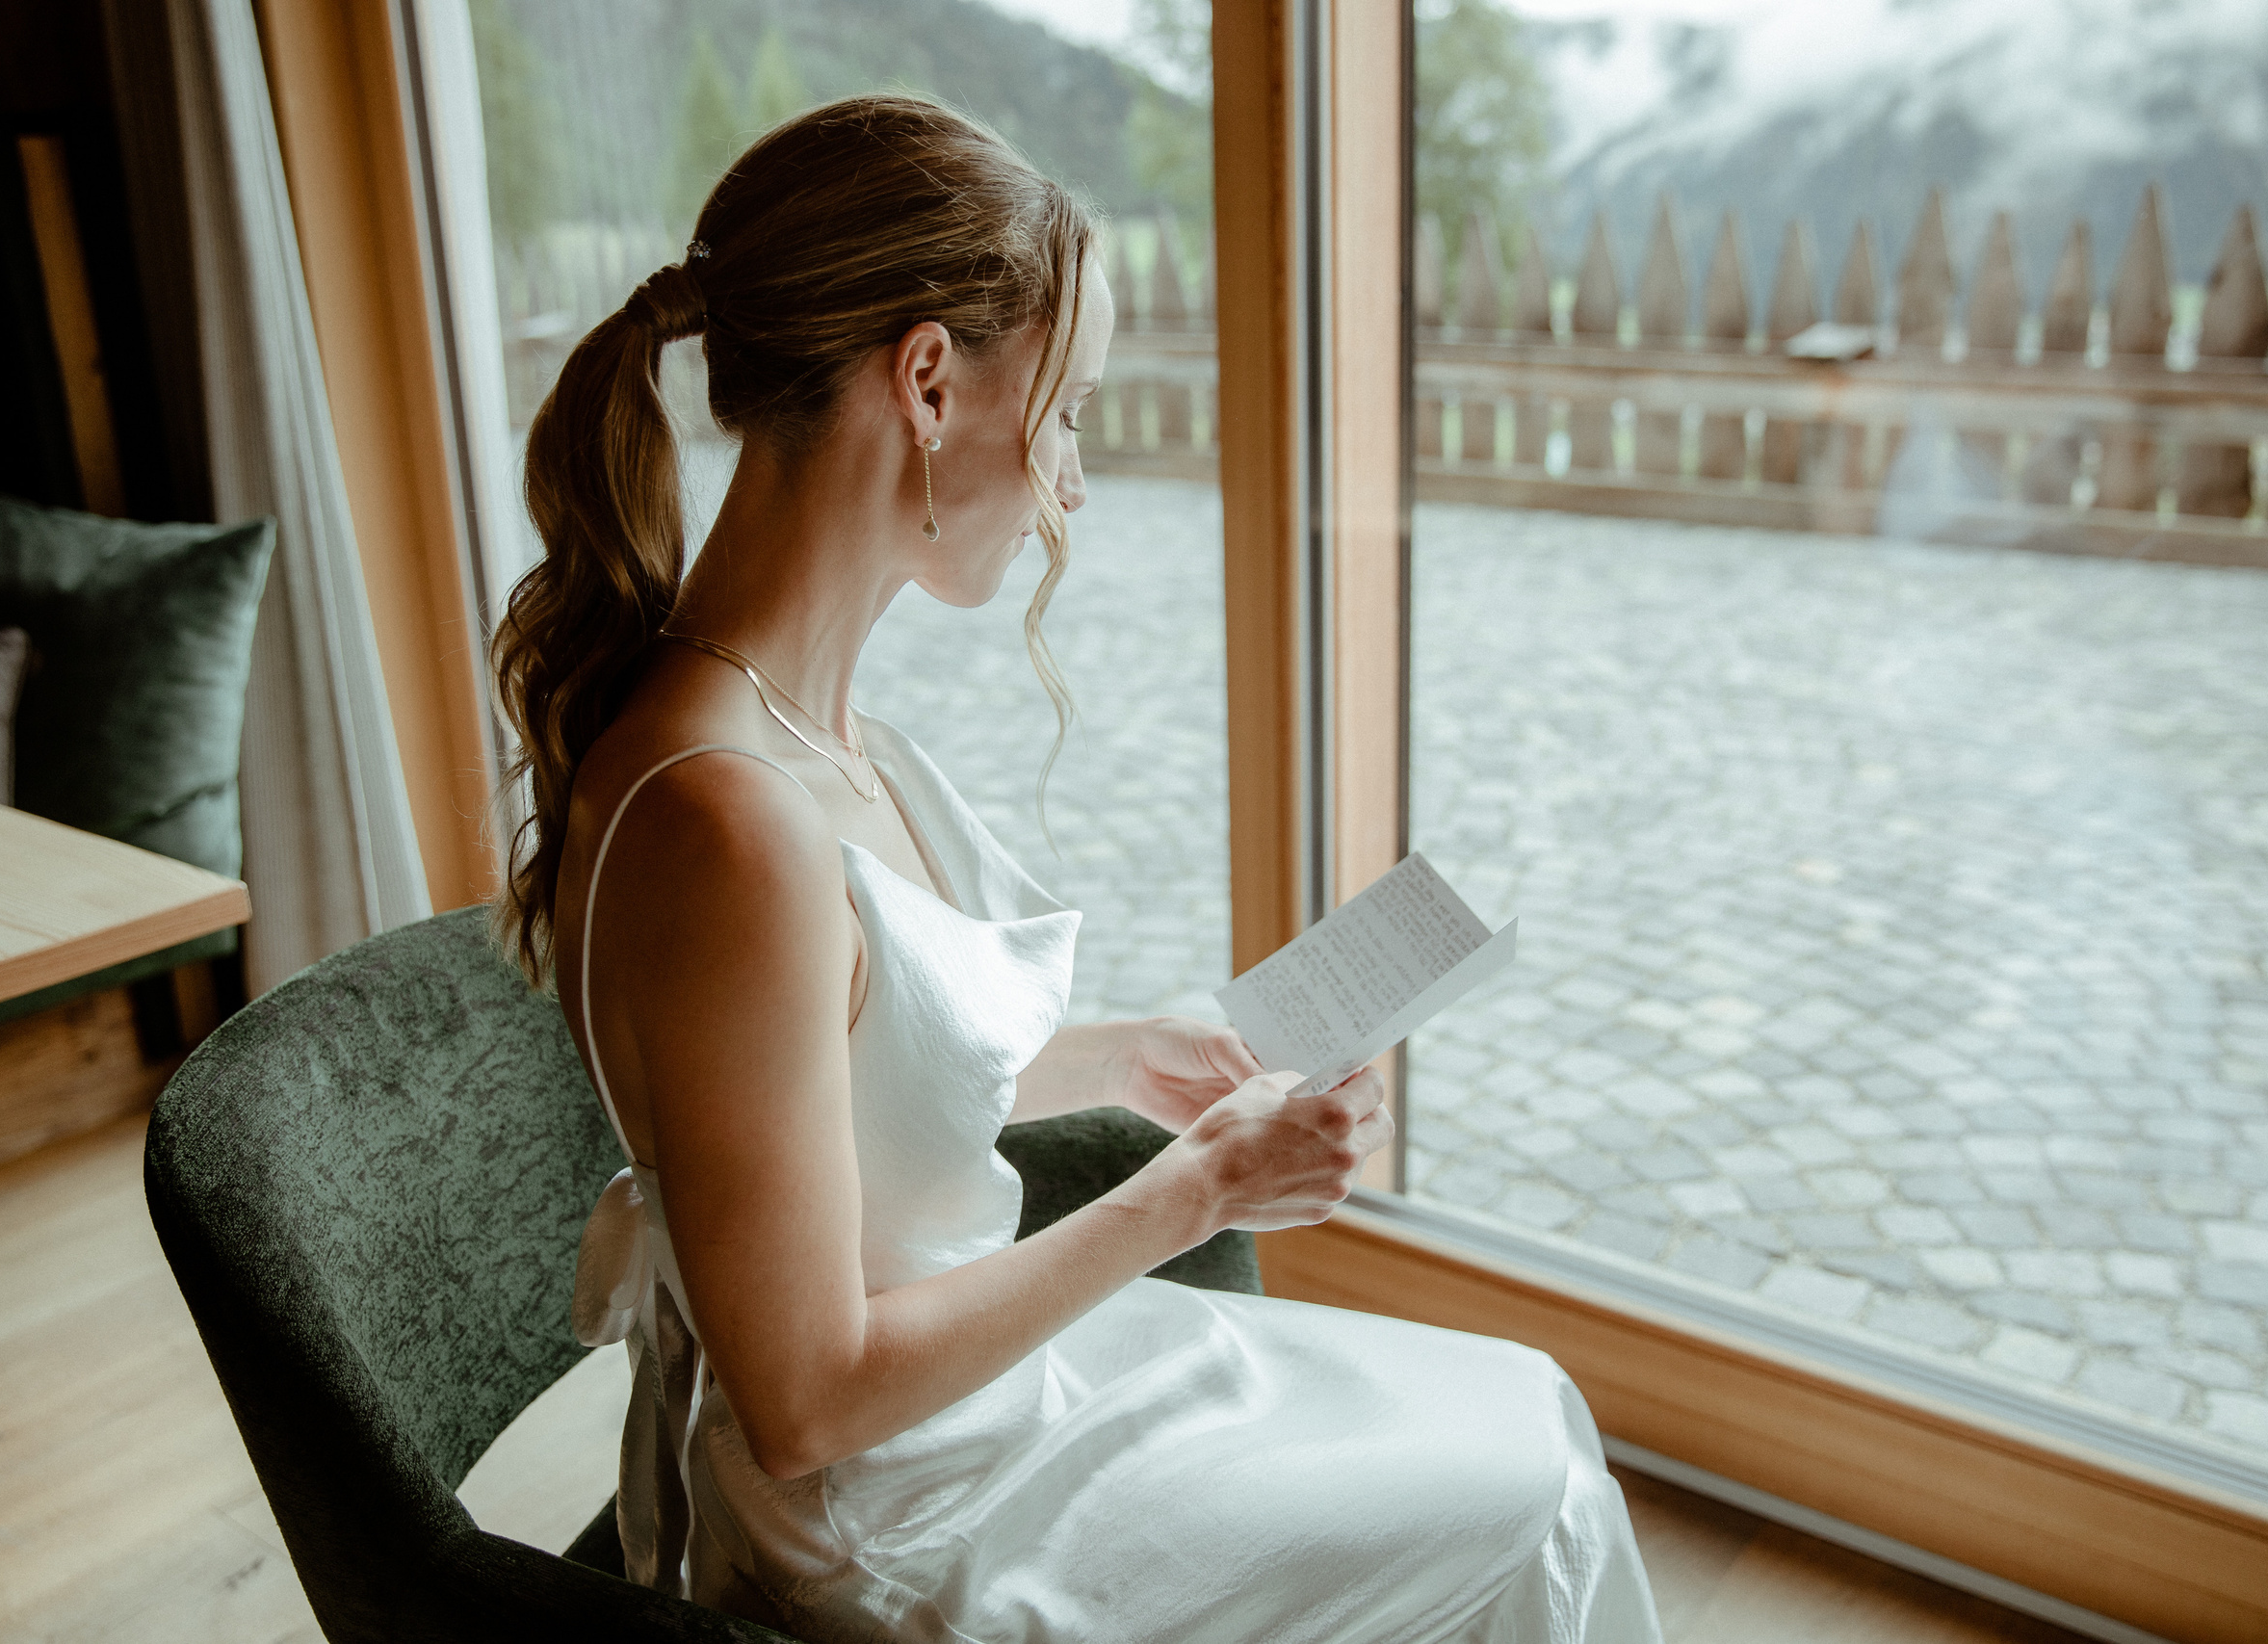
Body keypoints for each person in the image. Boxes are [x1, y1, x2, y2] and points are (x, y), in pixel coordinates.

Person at [494, 93, 1661, 1644]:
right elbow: (806, 1405)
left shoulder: (821, 731)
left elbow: (842, 1084)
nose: (1078, 478)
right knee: (1536, 1489)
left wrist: (1130, 1058)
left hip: (989, 1408)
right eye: (1072, 408)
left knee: (1531, 1407)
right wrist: (1196, 1192)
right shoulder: (723, 820)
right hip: (895, 1517)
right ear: (926, 381)